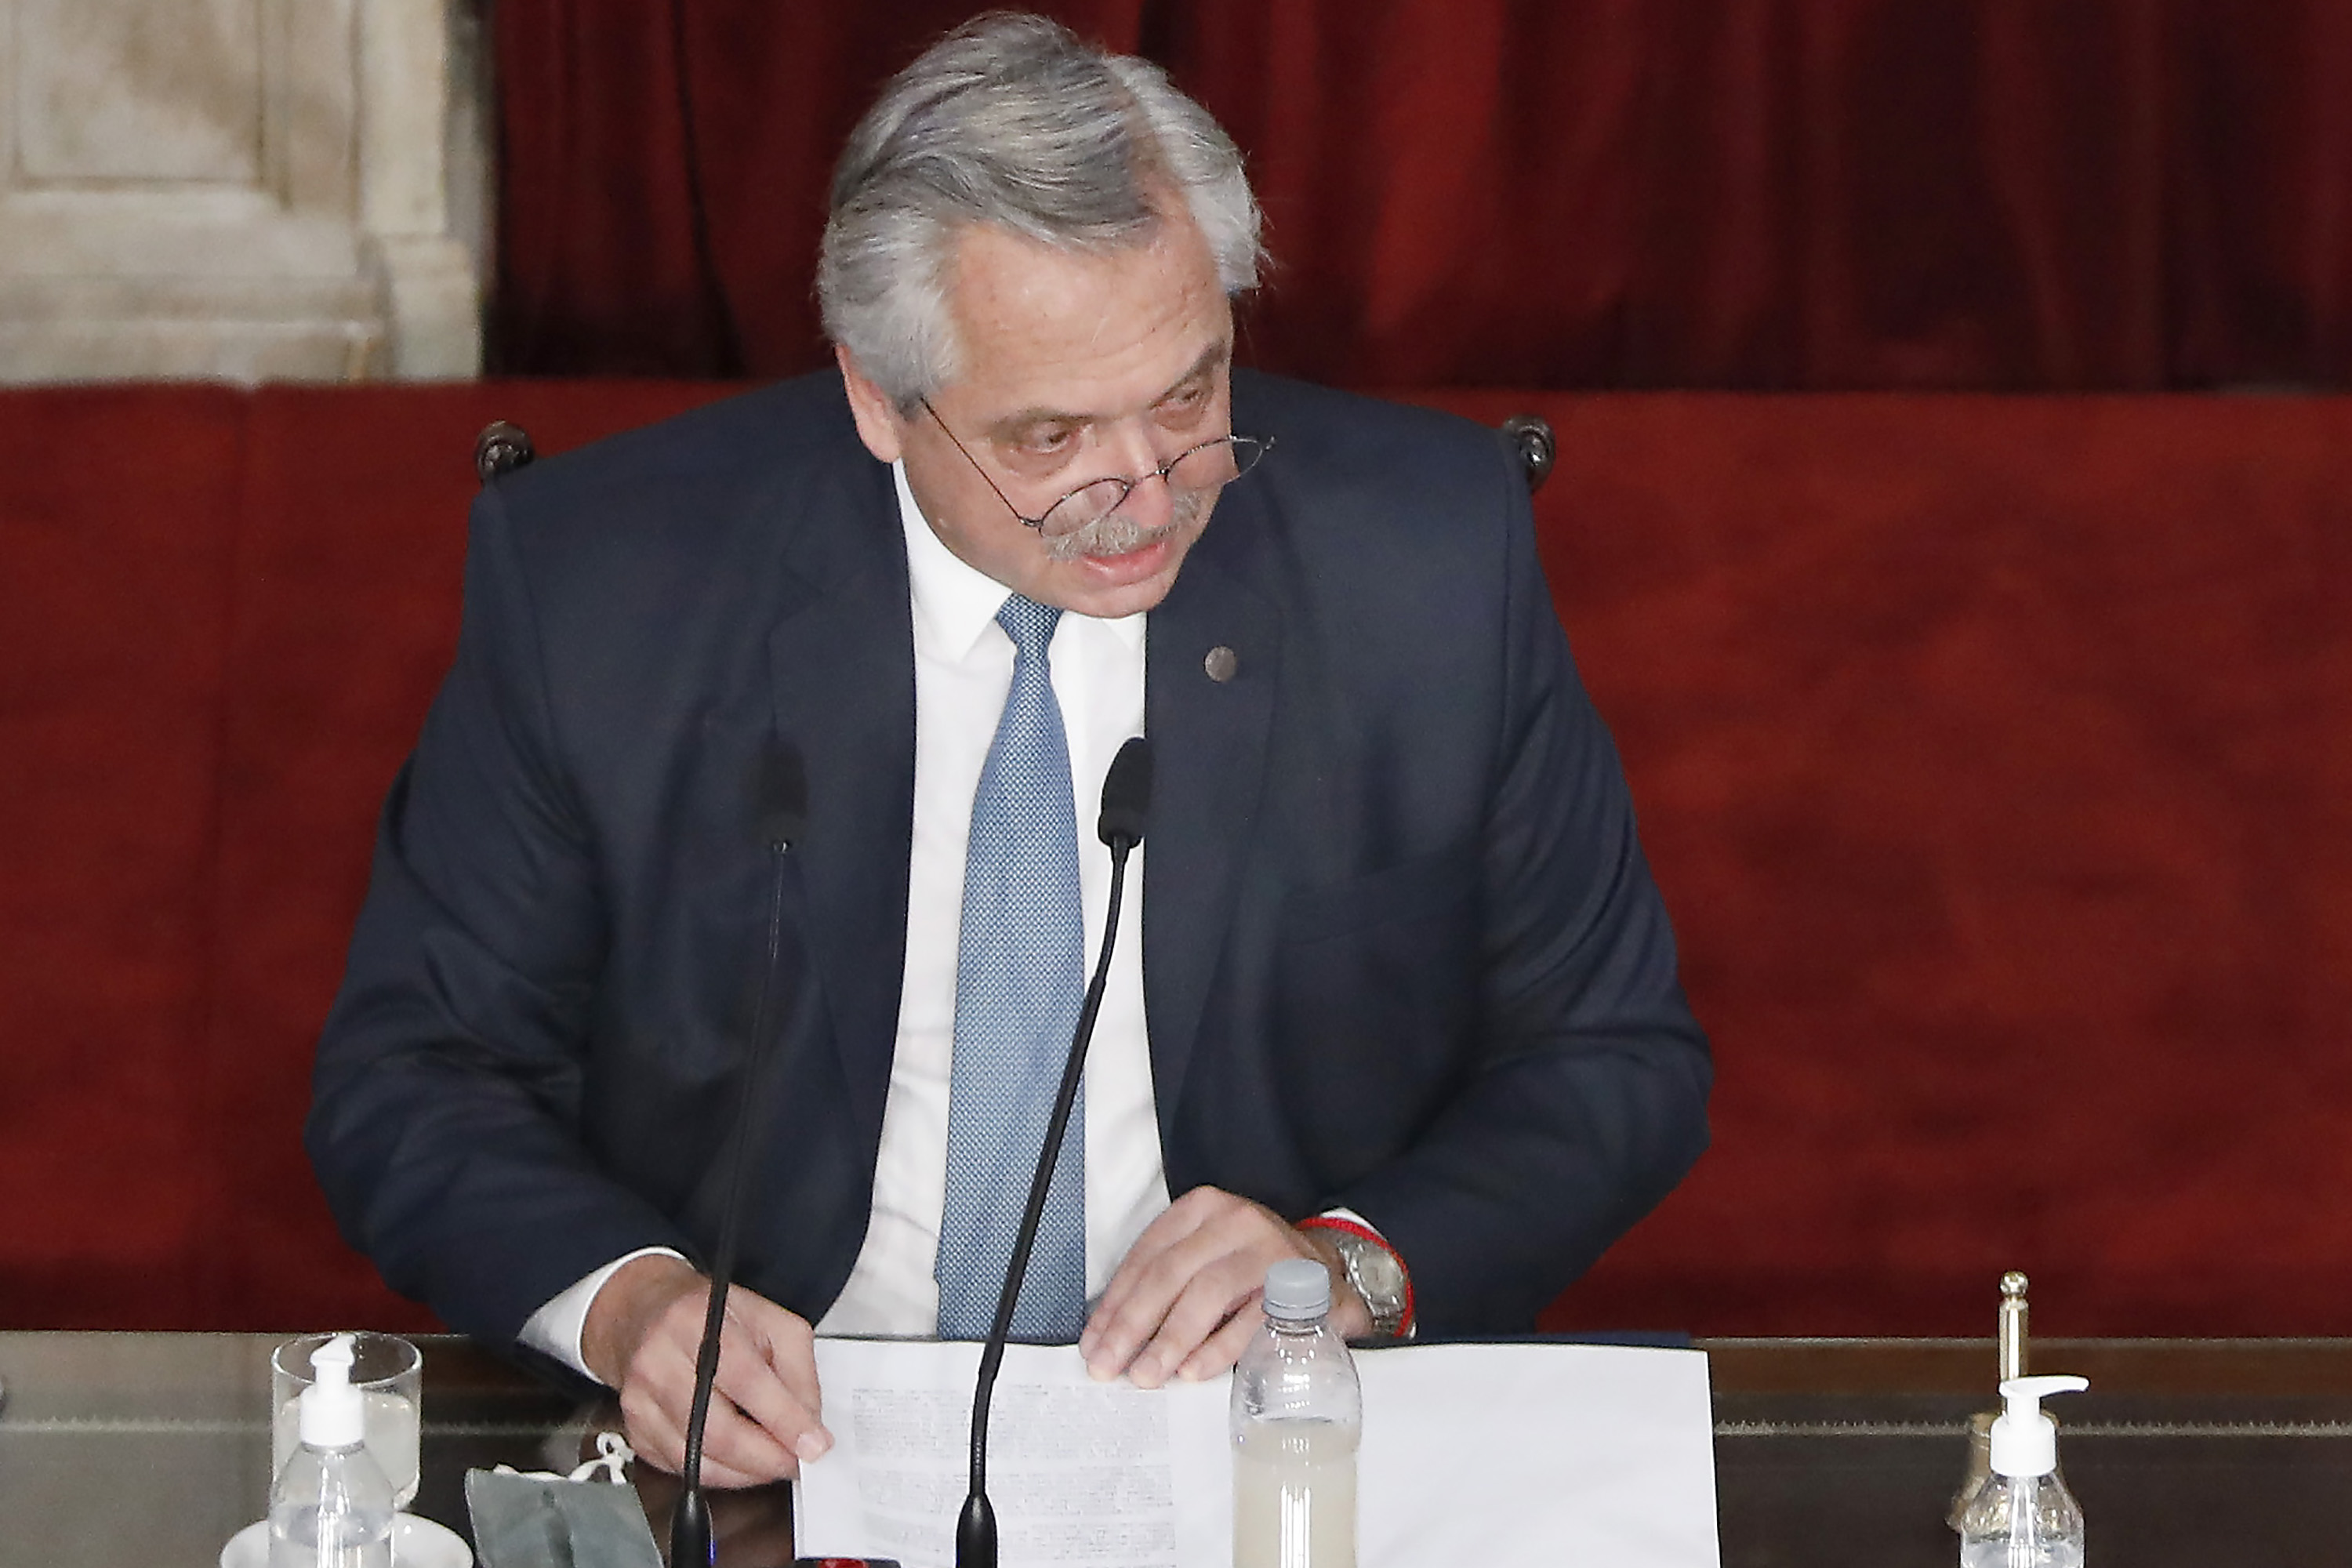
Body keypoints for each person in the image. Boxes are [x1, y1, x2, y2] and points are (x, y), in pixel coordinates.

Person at [307, 14, 1709, 1490]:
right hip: (783, 1451)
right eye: (1048, 437)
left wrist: (1344, 1269)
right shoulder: (606, 588)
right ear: (876, 397)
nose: (1148, 491)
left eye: (1189, 393)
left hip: (1260, 1441)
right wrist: (630, 1302)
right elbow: (417, 1073)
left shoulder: (1428, 558)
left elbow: (1612, 1057)